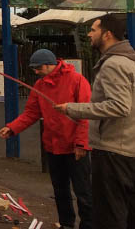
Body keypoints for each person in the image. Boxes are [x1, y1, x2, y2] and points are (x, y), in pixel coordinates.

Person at [0, 48, 91, 229]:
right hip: (53, 146)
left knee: (83, 191)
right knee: (60, 190)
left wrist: (81, 143)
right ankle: (66, 224)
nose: (35, 72)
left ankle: (88, 225)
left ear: (48, 65)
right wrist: (12, 127)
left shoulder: (77, 80)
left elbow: (86, 114)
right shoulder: (40, 85)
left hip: (74, 146)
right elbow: (31, 113)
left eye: (37, 68)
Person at [56, 14, 135, 229]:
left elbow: (119, 106)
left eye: (93, 29)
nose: (89, 34)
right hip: (127, 149)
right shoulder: (129, 60)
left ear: (107, 34)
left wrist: (73, 108)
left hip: (113, 152)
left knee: (110, 216)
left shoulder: (113, 64)